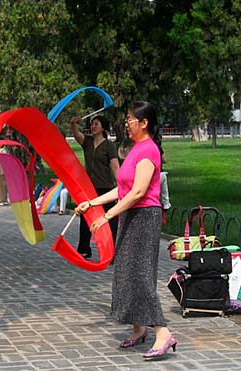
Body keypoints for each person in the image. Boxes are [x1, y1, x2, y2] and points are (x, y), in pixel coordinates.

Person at [75, 101, 177, 360]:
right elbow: (122, 189)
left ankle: (163, 332)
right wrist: (92, 203)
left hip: (144, 217)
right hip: (130, 216)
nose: (127, 123)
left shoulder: (149, 150)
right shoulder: (135, 149)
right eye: (127, 119)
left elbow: (139, 192)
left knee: (141, 274)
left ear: (144, 123)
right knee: (125, 271)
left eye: (131, 119)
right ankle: (138, 327)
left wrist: (106, 216)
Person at [62, 116, 119, 259]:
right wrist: (73, 123)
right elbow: (76, 134)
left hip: (106, 188)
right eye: (92, 124)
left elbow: (115, 166)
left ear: (104, 128)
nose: (93, 126)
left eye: (96, 124)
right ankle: (84, 249)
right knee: (86, 218)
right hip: (89, 188)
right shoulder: (87, 142)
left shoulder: (108, 146)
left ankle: (111, 252)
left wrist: (120, 185)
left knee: (109, 219)